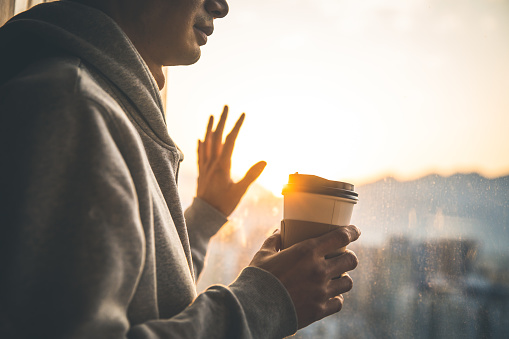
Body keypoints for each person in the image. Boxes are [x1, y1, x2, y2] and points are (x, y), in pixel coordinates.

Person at [0, 0, 361, 338]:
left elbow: (143, 293)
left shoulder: (102, 105)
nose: (221, 6)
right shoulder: (71, 107)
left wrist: (206, 215)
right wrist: (264, 303)